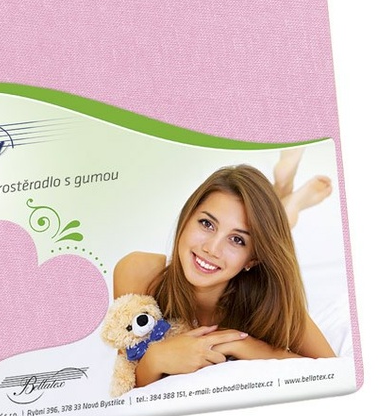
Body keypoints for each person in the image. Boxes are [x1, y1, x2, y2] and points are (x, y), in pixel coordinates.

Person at [113, 150, 335, 387]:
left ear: (252, 260)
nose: (212, 249)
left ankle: (288, 201)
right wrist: (156, 358)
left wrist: (243, 345)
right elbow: (125, 380)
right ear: (187, 217)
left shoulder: (269, 298)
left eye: (237, 240)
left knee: (270, 230)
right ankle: (286, 201)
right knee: (270, 223)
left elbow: (333, 370)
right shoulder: (139, 272)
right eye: (207, 223)